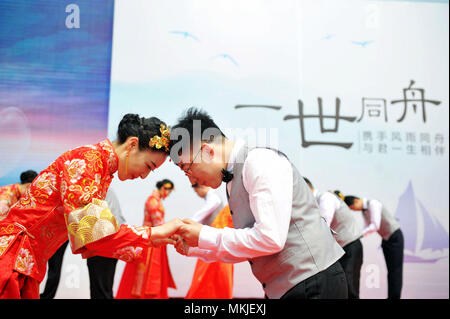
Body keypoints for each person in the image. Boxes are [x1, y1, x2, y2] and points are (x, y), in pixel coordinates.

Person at [170, 107, 348, 299]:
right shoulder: (233, 179)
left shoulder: (259, 162)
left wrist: (204, 233)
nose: (191, 180)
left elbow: (270, 239)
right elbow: (250, 247)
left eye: (187, 169)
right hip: (290, 288)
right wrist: (194, 246)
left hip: (313, 283)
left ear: (206, 151)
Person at [0, 114, 183, 299]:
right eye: (148, 166)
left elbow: (93, 243)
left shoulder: (101, 168)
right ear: (132, 145)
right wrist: (153, 233)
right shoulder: (87, 160)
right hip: (12, 257)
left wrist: (150, 239)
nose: (144, 175)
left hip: (27, 262)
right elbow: (95, 236)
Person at [40, 186, 126, 299]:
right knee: (104, 288)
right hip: (106, 242)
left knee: (100, 289)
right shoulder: (102, 189)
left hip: (103, 242)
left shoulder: (96, 190)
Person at [116, 179, 176, 299]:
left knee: (145, 274)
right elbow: (159, 224)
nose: (168, 195)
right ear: (164, 188)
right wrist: (173, 231)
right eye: (168, 192)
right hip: (151, 241)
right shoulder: (154, 202)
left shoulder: (154, 200)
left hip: (151, 239)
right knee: (147, 275)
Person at [303, 179, 363, 299]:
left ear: (305, 188)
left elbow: (324, 226)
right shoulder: (316, 202)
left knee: (350, 288)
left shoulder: (325, 198)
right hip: (342, 248)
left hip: (350, 246)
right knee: (342, 287)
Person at [344, 195, 404, 299]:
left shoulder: (373, 204)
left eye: (353, 208)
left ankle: (395, 297)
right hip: (386, 240)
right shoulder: (364, 211)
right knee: (391, 272)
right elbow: (367, 227)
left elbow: (375, 225)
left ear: (356, 201)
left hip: (394, 237)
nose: (354, 211)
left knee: (395, 271)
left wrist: (357, 235)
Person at [185, 184, 234, 299]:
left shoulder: (213, 198)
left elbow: (198, 217)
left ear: (199, 187)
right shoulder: (212, 199)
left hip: (214, 244)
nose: (198, 194)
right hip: (212, 244)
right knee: (209, 278)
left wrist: (185, 224)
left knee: (211, 277)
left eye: (196, 192)